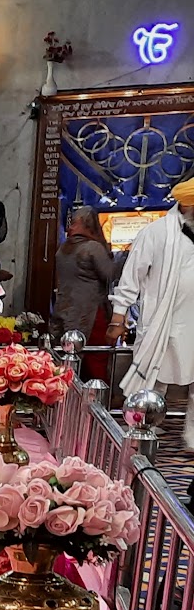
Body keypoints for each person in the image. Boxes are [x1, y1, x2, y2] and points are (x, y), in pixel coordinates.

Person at [110, 176, 194, 448]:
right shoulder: (156, 233)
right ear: (188, 206)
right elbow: (131, 276)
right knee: (153, 382)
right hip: (163, 323)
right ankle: (142, 430)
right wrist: (118, 316)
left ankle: (193, 438)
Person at [51, 206, 114, 343]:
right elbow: (110, 275)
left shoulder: (62, 249)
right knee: (94, 358)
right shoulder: (93, 247)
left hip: (63, 309)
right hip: (89, 313)